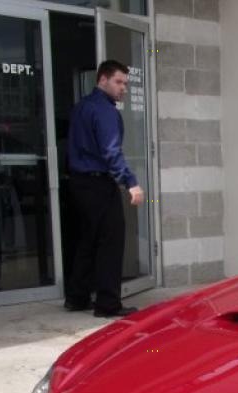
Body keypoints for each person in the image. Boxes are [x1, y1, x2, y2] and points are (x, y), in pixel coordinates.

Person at [65, 60, 144, 317]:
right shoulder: (105, 111)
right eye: (119, 82)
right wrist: (130, 182)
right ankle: (108, 303)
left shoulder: (80, 108)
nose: (123, 88)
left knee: (86, 240)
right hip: (98, 183)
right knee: (110, 242)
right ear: (102, 80)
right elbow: (111, 152)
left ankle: (77, 297)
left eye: (125, 83)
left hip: (78, 183)